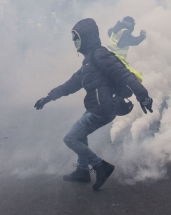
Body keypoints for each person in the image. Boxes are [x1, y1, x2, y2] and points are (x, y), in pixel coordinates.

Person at [34, 18, 153, 190]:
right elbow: (71, 84)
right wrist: (48, 97)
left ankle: (100, 166)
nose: (74, 42)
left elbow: (124, 75)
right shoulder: (89, 61)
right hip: (98, 107)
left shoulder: (100, 55)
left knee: (70, 138)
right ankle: (82, 171)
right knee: (80, 135)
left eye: (76, 38)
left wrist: (143, 95)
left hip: (104, 109)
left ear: (86, 38)